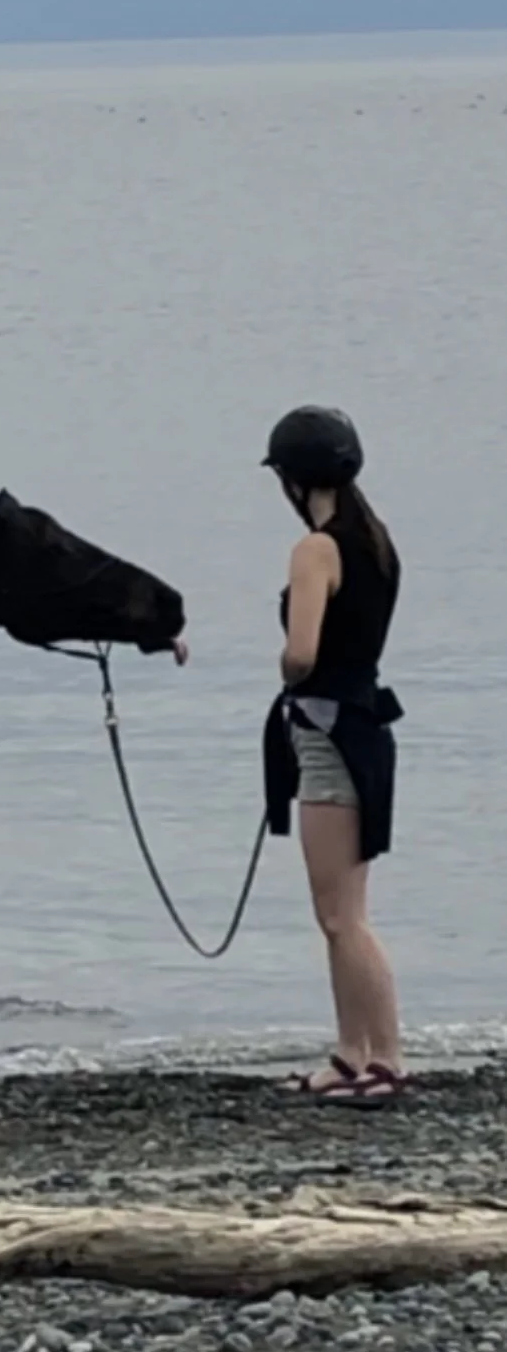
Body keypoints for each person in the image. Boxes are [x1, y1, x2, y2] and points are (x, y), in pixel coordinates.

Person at [261, 406, 407, 1105]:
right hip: (365, 730)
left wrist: (284, 663)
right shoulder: (376, 542)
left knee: (341, 915)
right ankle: (356, 1053)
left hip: (327, 738)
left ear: (292, 480)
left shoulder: (315, 551)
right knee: (343, 910)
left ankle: (382, 1057)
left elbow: (302, 655)